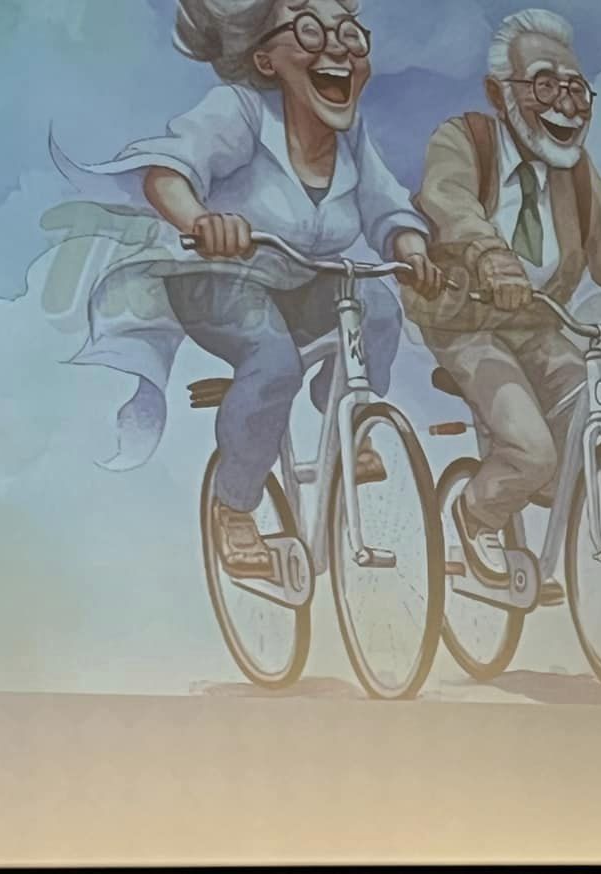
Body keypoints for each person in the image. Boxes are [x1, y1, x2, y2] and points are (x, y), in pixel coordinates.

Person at [46, 0, 442, 579]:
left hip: (302, 279)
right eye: (310, 30)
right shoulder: (241, 111)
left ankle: (346, 424)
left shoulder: (350, 134)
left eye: (350, 34)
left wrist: (410, 248)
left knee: (378, 306)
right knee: (273, 363)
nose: (337, 46)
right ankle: (234, 507)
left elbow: (386, 204)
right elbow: (168, 173)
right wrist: (202, 221)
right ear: (265, 59)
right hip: (218, 279)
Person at [403, 7, 601, 580]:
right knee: (532, 451)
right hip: (468, 324)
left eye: (575, 90)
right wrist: (491, 258)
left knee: (579, 434)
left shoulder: (577, 175)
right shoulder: (465, 140)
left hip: (539, 324)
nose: (565, 106)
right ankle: (473, 517)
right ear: (498, 93)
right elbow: (449, 202)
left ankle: (530, 498)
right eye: (544, 86)